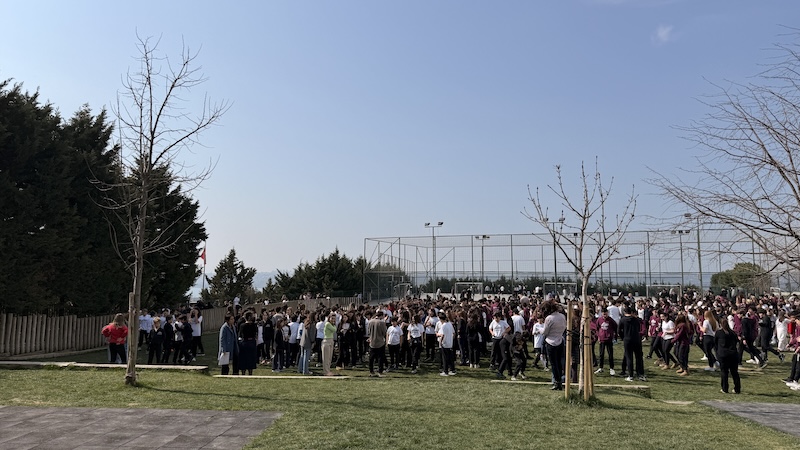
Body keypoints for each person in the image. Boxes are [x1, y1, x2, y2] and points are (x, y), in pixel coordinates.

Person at [541, 301, 567, 390]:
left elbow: (545, 332)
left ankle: (557, 382)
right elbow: (564, 327)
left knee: (553, 363)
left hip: (550, 341)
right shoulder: (562, 316)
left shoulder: (549, 318)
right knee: (559, 362)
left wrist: (539, 330)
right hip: (560, 339)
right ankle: (560, 380)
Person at [715, 316, 741, 394]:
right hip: (733, 354)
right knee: (734, 372)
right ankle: (737, 388)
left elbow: (715, 343)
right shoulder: (733, 333)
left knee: (724, 372)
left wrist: (717, 352)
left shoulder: (719, 333)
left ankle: (724, 388)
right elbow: (737, 342)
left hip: (723, 354)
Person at [619, 306, 646, 382]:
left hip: (627, 339)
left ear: (624, 312)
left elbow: (619, 330)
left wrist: (623, 337)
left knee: (629, 357)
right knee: (639, 357)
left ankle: (630, 375)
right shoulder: (636, 320)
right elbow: (639, 327)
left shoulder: (622, 320)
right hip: (637, 339)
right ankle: (640, 374)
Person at [594, 308, 617, 376]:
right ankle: (600, 367)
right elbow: (597, 328)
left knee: (610, 354)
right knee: (601, 354)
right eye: (603, 313)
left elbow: (615, 327)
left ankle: (611, 368)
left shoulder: (610, 320)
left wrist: (613, 336)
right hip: (602, 339)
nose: (605, 315)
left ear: (607, 313)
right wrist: (598, 336)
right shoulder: (599, 320)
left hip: (609, 339)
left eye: (606, 313)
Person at [367, 310, 388, 377]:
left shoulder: (370, 321)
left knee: (371, 358)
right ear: (381, 316)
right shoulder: (381, 323)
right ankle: (380, 372)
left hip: (372, 341)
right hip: (380, 342)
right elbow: (384, 332)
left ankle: (371, 371)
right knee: (380, 358)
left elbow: (369, 331)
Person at [437, 311, 456, 376]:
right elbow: (453, 333)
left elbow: (442, 335)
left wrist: (440, 341)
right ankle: (452, 370)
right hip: (450, 343)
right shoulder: (449, 324)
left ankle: (445, 371)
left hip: (444, 343)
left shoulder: (443, 326)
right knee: (450, 357)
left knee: (444, 358)